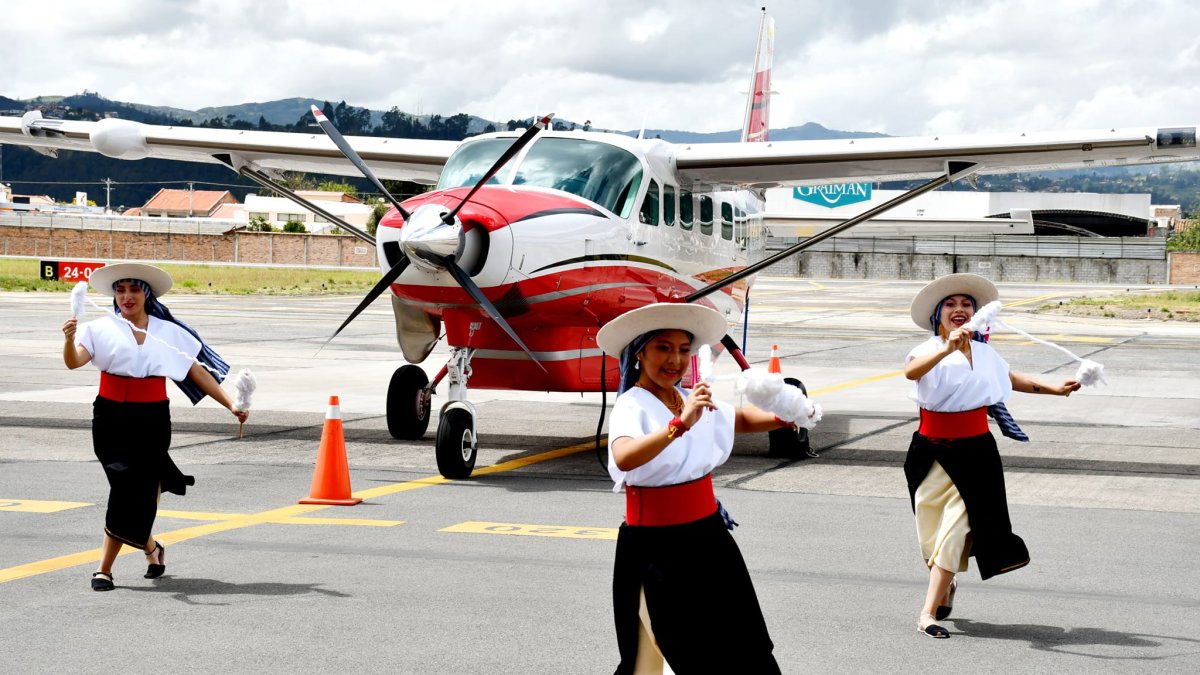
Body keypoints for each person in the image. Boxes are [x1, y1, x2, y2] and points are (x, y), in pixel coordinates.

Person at [597, 302, 797, 674]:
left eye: (683, 349)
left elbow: (739, 419)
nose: (675, 359)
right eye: (663, 348)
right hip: (657, 547)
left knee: (745, 641)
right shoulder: (631, 404)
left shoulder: (687, 396)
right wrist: (679, 425)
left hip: (709, 537)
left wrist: (788, 415)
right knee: (672, 652)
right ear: (640, 353)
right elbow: (623, 457)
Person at [903, 273, 1080, 638]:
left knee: (956, 531)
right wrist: (947, 348)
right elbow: (911, 372)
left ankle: (927, 614)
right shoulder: (926, 350)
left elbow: (1010, 378)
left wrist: (1054, 388)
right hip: (930, 454)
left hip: (976, 453)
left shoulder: (985, 352)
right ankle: (946, 584)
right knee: (930, 537)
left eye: (966, 304)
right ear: (938, 314)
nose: (959, 309)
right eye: (951, 304)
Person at [62, 263, 248, 591]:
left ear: (146, 294)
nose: (127, 296)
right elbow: (74, 361)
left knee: (133, 492)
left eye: (134, 289)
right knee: (125, 489)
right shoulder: (99, 328)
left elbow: (197, 372)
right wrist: (68, 339)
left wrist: (231, 404)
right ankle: (139, 553)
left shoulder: (167, 332)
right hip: (110, 419)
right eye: (120, 290)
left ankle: (113, 565)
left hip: (152, 420)